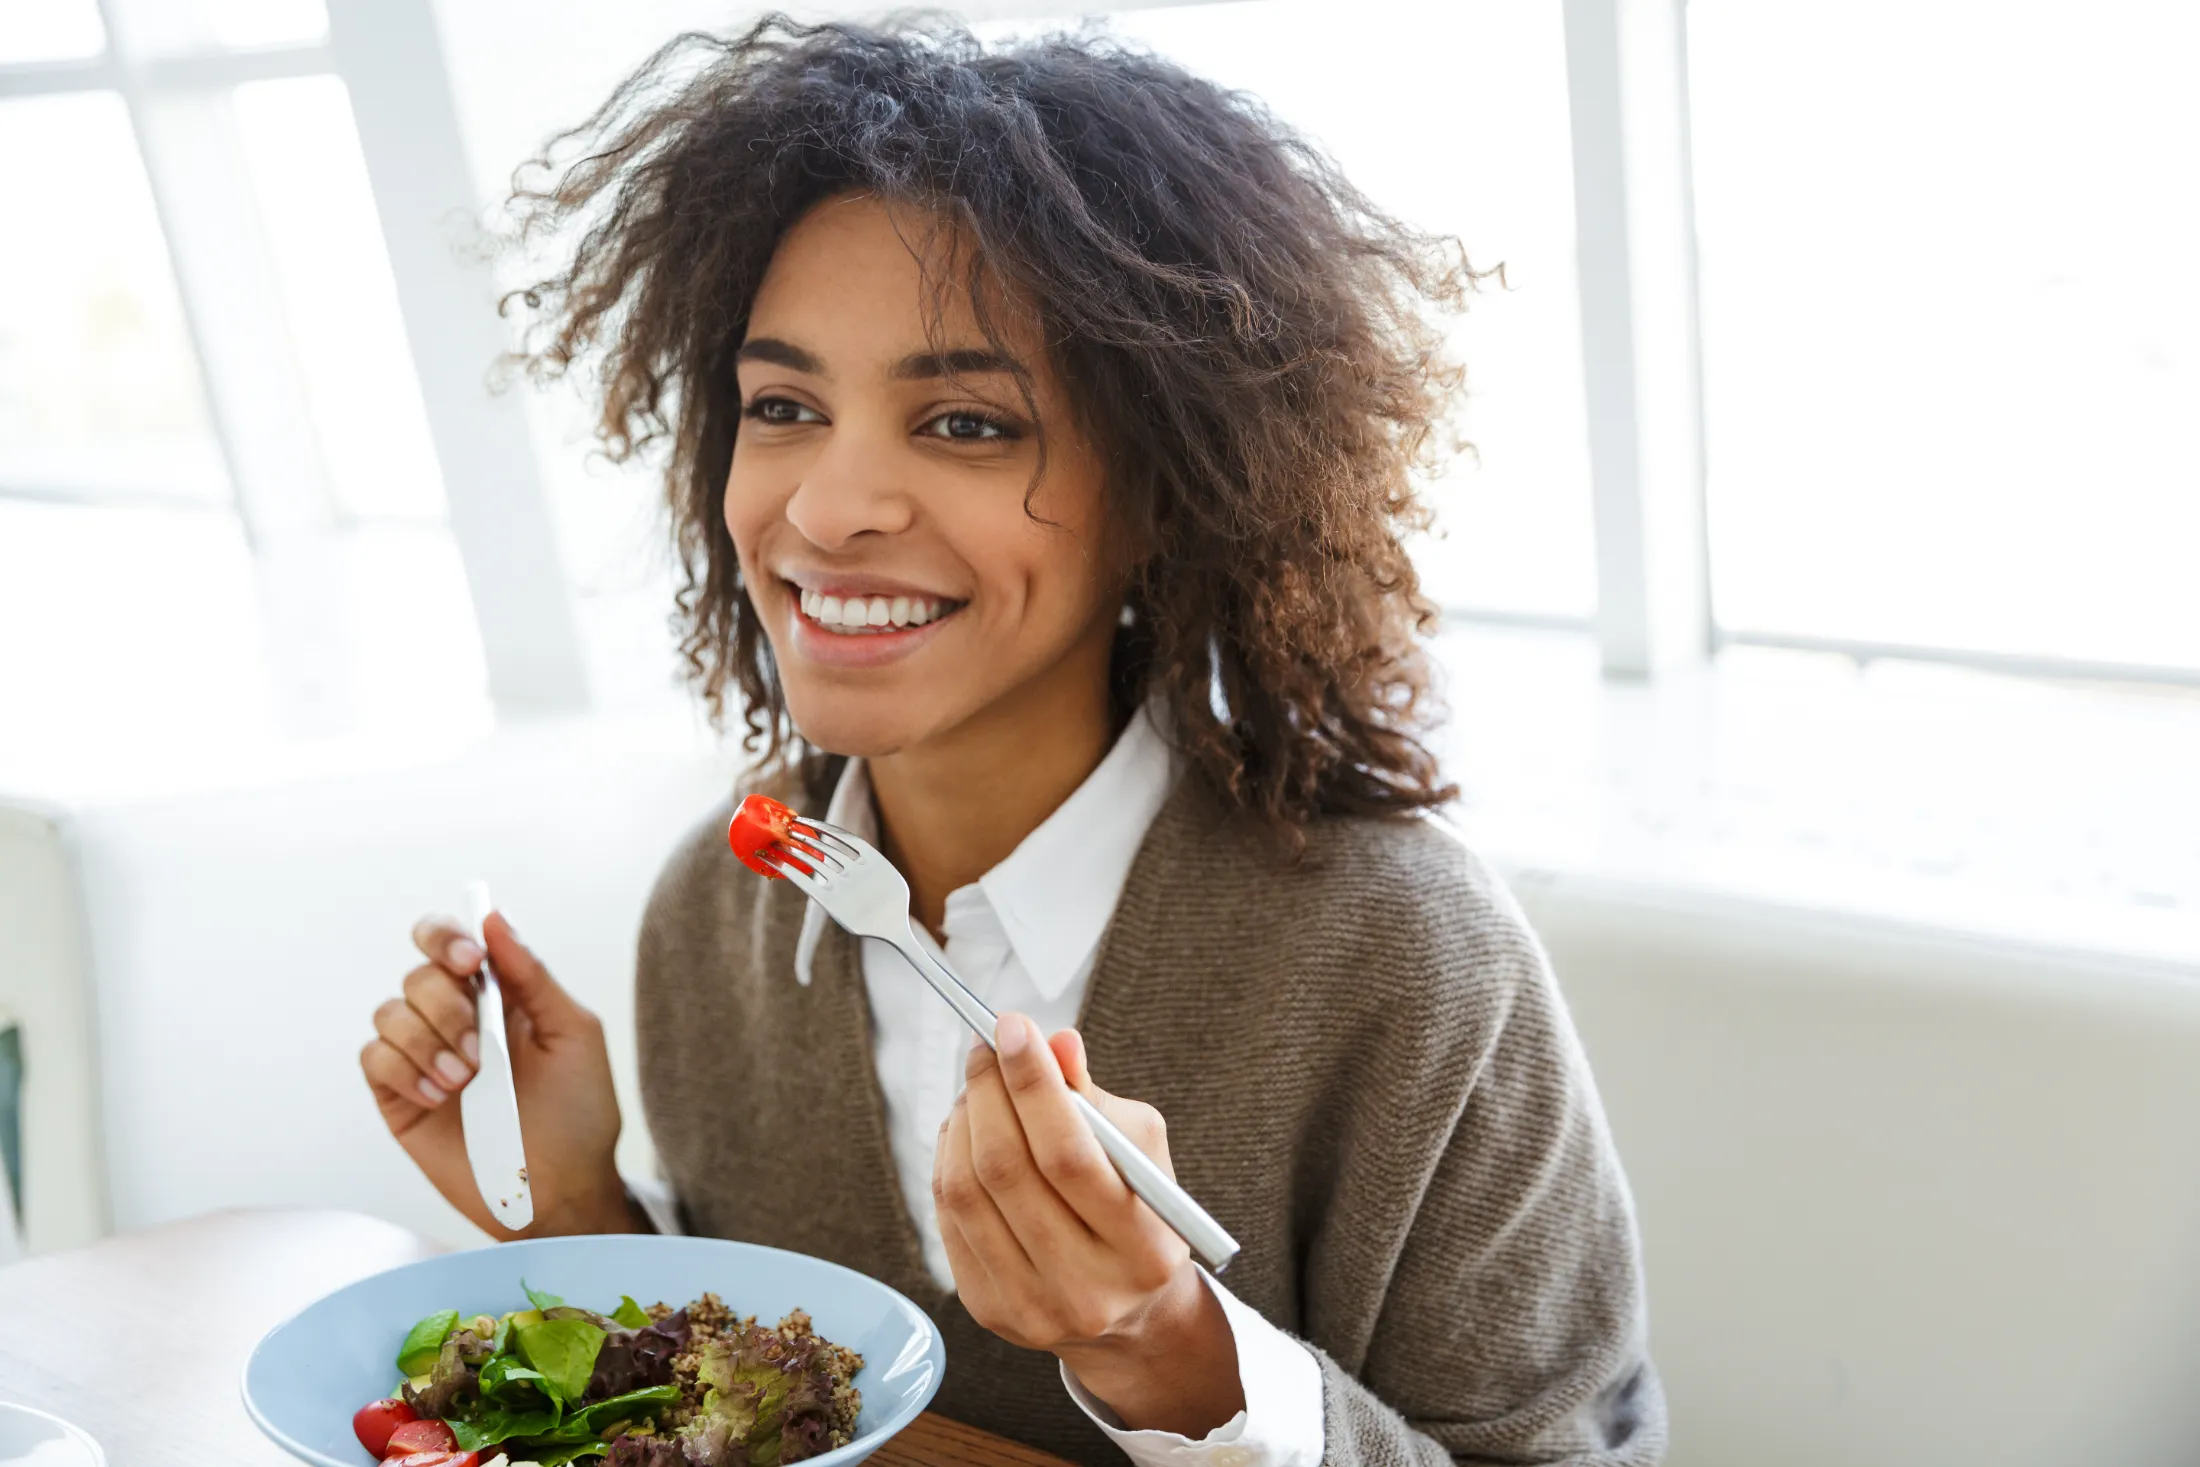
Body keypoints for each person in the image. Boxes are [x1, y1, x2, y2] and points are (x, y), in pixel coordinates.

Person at [359, 16, 1664, 1466]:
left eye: (968, 422)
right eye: (782, 405)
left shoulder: (1404, 961)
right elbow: (773, 1411)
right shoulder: (715, 916)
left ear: (1172, 484)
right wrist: (585, 1209)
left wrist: (1168, 1345)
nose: (831, 506)